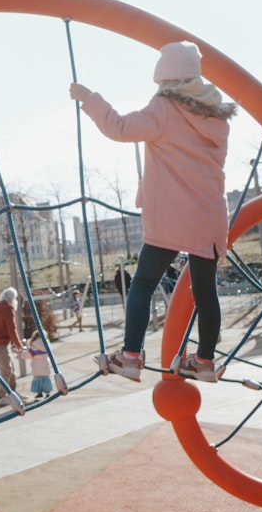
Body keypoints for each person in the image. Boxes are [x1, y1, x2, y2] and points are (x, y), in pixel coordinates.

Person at [70, 41, 235, 383]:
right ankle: (205, 360)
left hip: (173, 215)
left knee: (143, 282)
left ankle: (130, 356)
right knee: (205, 291)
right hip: (210, 214)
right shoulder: (216, 116)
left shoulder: (165, 107)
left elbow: (120, 128)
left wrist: (89, 98)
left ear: (165, 79)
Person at [0, 287, 26, 406]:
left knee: (10, 368)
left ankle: (12, 393)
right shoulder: (8, 309)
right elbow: (12, 329)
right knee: (7, 369)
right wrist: (19, 345)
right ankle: (2, 396)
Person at [21, 331, 53, 399]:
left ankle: (39, 392)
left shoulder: (33, 345)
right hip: (45, 364)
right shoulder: (47, 344)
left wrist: (19, 353)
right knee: (46, 378)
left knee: (37, 379)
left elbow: (27, 355)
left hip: (36, 366)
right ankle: (48, 392)